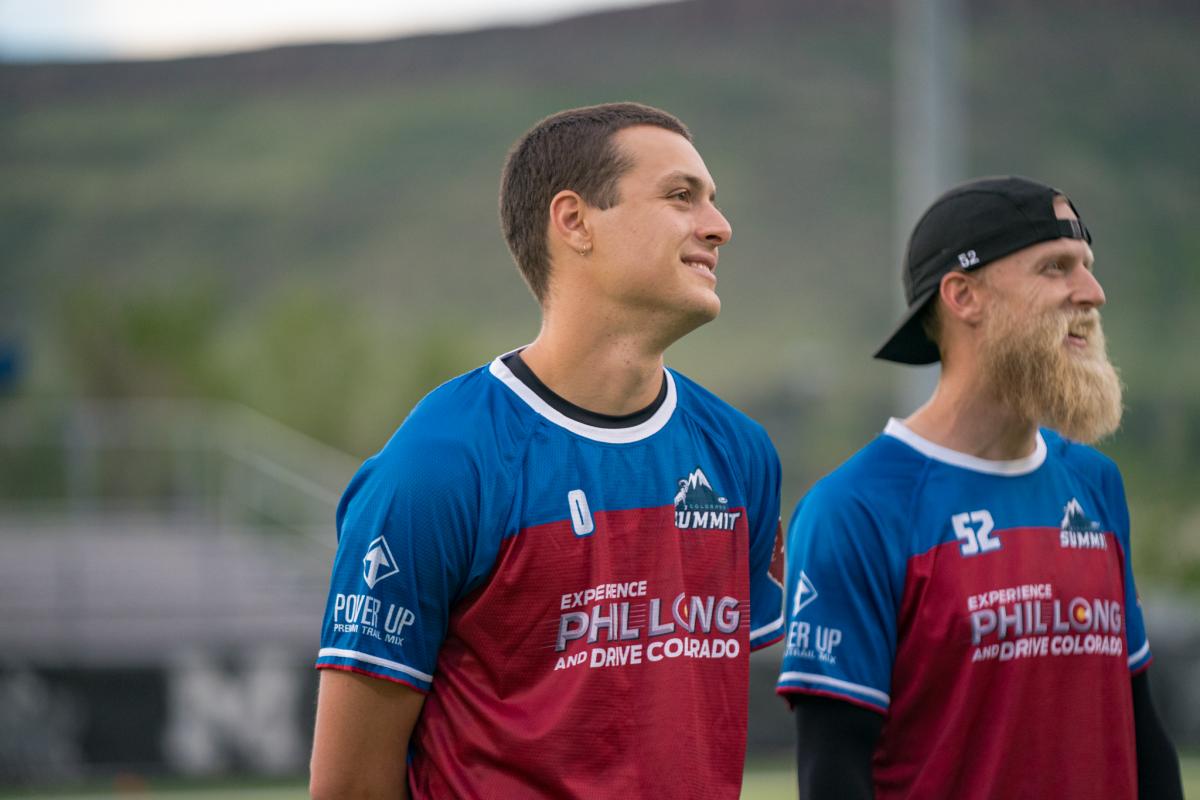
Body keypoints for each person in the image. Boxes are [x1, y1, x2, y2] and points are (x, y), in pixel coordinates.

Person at [309, 102, 785, 799]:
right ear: (575, 221)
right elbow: (350, 787)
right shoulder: (438, 465)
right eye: (681, 196)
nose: (719, 226)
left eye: (710, 200)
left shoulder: (740, 454)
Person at [776, 176, 1184, 799]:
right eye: (1056, 267)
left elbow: (1143, 735)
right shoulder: (854, 509)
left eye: (1088, 266)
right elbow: (833, 773)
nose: (1093, 292)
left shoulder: (1094, 482)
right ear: (964, 296)